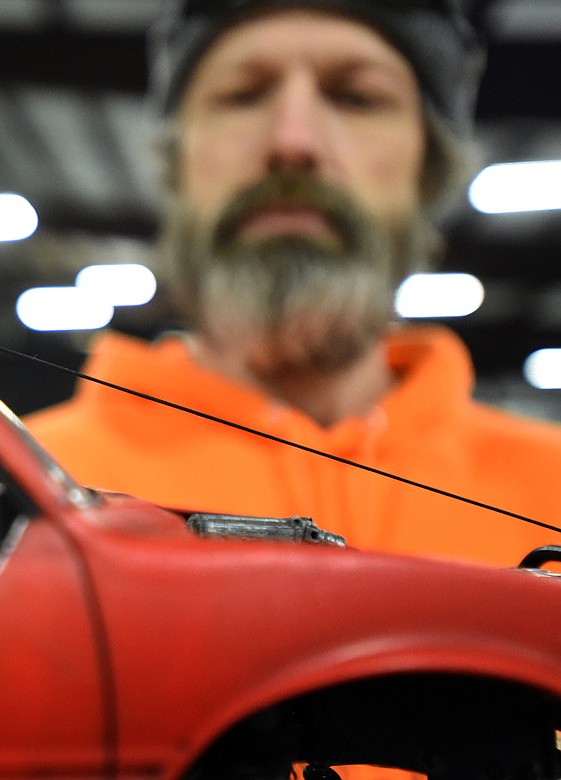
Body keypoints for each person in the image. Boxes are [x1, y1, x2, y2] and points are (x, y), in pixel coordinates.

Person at [28, 0, 561, 569]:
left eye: (357, 97)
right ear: (177, 166)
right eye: (242, 95)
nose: (293, 141)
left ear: (426, 170)